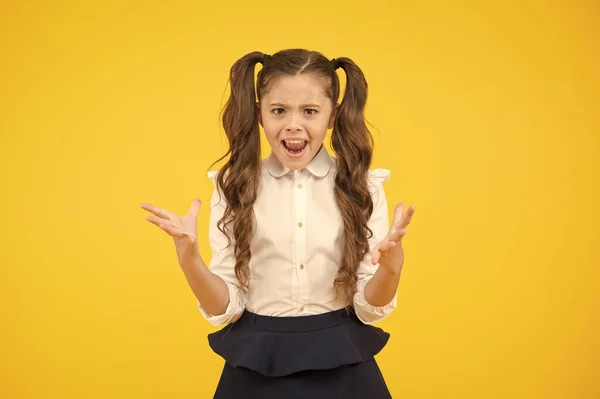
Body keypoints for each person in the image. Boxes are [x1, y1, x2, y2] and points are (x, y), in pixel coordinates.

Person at [141, 48, 415, 398]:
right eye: (279, 110)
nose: (293, 124)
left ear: (333, 116)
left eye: (310, 111)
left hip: (343, 361)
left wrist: (390, 269)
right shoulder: (234, 187)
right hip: (257, 364)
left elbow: (369, 307)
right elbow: (225, 307)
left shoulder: (362, 186)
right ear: (260, 115)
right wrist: (189, 259)